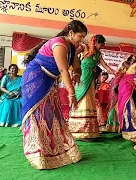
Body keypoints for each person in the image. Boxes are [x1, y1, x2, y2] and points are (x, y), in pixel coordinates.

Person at [21, 20, 87, 169]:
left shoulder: (72, 47)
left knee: (52, 113)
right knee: (38, 113)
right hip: (36, 78)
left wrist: (77, 74)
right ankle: (38, 152)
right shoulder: (58, 44)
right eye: (80, 36)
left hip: (50, 80)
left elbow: (76, 67)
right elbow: (63, 70)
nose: (81, 40)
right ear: (71, 33)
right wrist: (71, 93)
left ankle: (56, 149)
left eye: (83, 37)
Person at [68, 35, 116, 141]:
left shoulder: (98, 54)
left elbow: (105, 65)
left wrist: (113, 72)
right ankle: (77, 129)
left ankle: (87, 131)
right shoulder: (84, 47)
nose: (101, 47)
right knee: (82, 98)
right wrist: (77, 68)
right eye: (101, 44)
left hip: (91, 78)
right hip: (82, 76)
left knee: (90, 100)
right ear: (95, 42)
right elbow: (73, 55)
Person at [105, 55, 136, 132]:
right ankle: (112, 125)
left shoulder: (133, 67)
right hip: (118, 84)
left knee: (121, 104)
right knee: (115, 104)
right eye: (133, 60)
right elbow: (126, 70)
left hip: (125, 84)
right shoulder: (125, 64)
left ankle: (119, 126)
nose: (133, 62)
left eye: (134, 61)